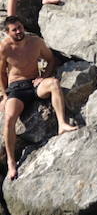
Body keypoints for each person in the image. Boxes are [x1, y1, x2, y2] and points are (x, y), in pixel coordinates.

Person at [1, 16, 77, 181]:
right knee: (9, 119)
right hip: (17, 89)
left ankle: (62, 124)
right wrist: (4, 95)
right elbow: (0, 72)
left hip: (35, 84)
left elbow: (51, 59)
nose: (19, 31)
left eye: (20, 27)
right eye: (14, 30)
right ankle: (12, 162)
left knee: (54, 84)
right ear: (7, 32)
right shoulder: (4, 48)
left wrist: (45, 76)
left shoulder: (35, 42)